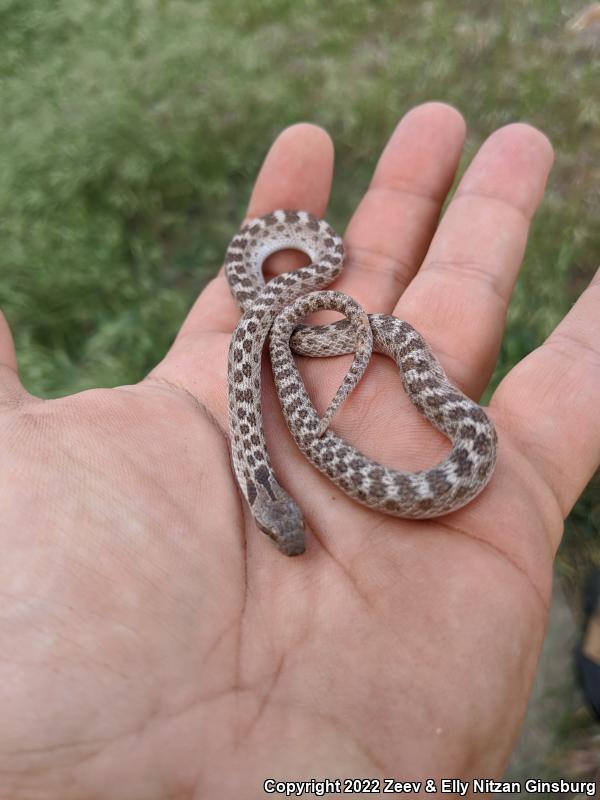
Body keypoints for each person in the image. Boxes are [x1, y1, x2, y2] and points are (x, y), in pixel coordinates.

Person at [0, 102, 598, 797]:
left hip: (321, 321)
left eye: (288, 529)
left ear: (270, 504)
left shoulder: (303, 329)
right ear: (264, 499)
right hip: (302, 320)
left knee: (325, 345)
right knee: (299, 351)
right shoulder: (260, 422)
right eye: (290, 530)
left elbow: (295, 338)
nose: (297, 537)